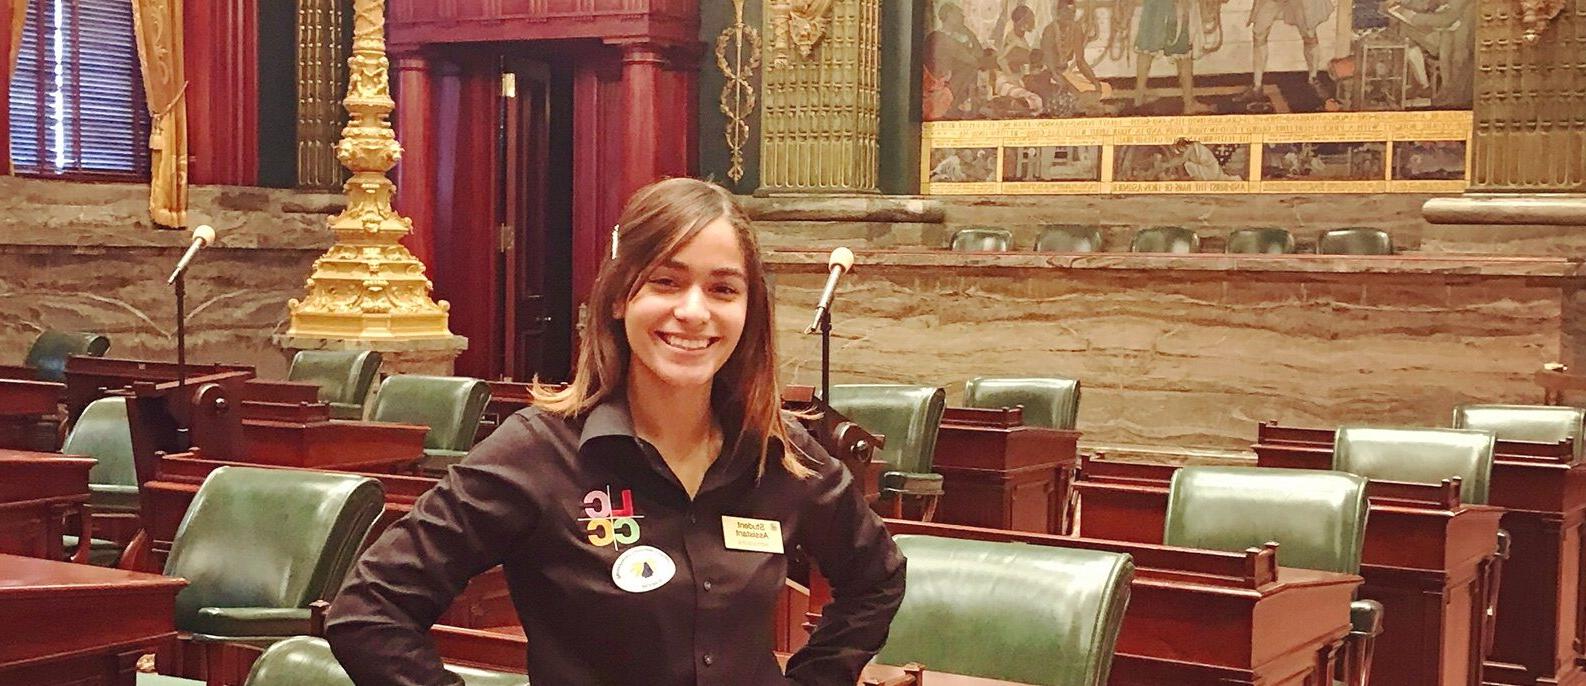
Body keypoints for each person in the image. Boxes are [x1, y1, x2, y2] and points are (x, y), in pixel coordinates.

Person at [325, 177, 907, 686]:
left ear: (750, 312)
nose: (695, 311)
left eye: (724, 289)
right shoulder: (538, 453)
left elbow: (876, 579)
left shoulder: (782, 454)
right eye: (666, 281)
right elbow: (368, 612)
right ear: (618, 299)